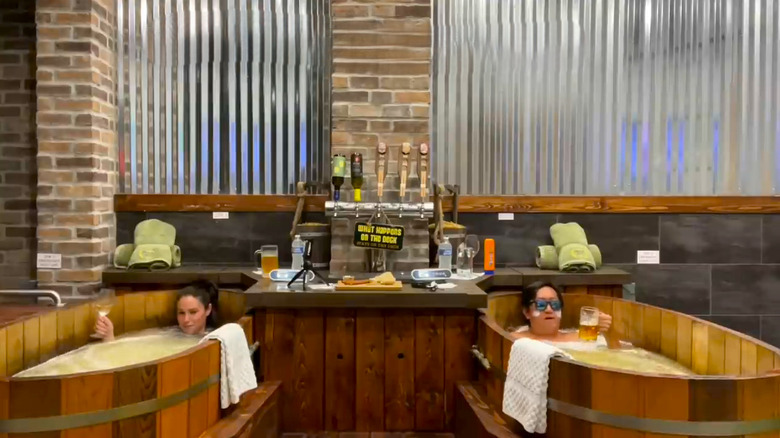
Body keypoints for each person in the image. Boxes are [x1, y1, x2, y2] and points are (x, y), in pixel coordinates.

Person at [93, 280, 220, 341]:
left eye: (193, 312)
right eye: (181, 313)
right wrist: (109, 336)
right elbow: (130, 347)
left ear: (208, 309)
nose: (186, 320)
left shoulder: (213, 340)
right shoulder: (168, 333)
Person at [510, 281, 613, 344]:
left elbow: (617, 353)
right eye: (541, 304)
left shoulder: (579, 339)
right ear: (527, 312)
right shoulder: (513, 340)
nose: (549, 310)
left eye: (555, 304)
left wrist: (607, 333)